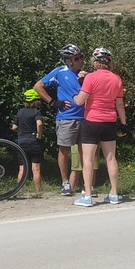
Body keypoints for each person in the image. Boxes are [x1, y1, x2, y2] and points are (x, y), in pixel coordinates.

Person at [72, 48, 127, 207]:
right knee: (111, 158)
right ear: (109, 62)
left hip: (91, 121)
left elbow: (80, 101)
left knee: (88, 159)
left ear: (95, 62)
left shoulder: (90, 77)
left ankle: (88, 196)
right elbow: (119, 105)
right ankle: (114, 194)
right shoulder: (117, 79)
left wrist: (76, 95)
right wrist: (123, 123)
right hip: (109, 121)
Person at [33, 44, 86, 196]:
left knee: (85, 152)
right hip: (66, 118)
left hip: (85, 117)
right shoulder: (59, 72)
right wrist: (52, 102)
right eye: (76, 58)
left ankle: (86, 184)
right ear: (68, 61)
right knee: (64, 150)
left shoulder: (85, 74)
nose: (80, 60)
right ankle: (65, 183)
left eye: (81, 57)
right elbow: (38, 86)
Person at [12, 89, 44, 191]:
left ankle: (19, 190)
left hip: (21, 142)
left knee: (22, 168)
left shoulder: (20, 112)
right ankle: (38, 190)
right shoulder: (36, 111)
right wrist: (39, 134)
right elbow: (39, 123)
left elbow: (14, 127)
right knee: (36, 169)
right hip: (33, 142)